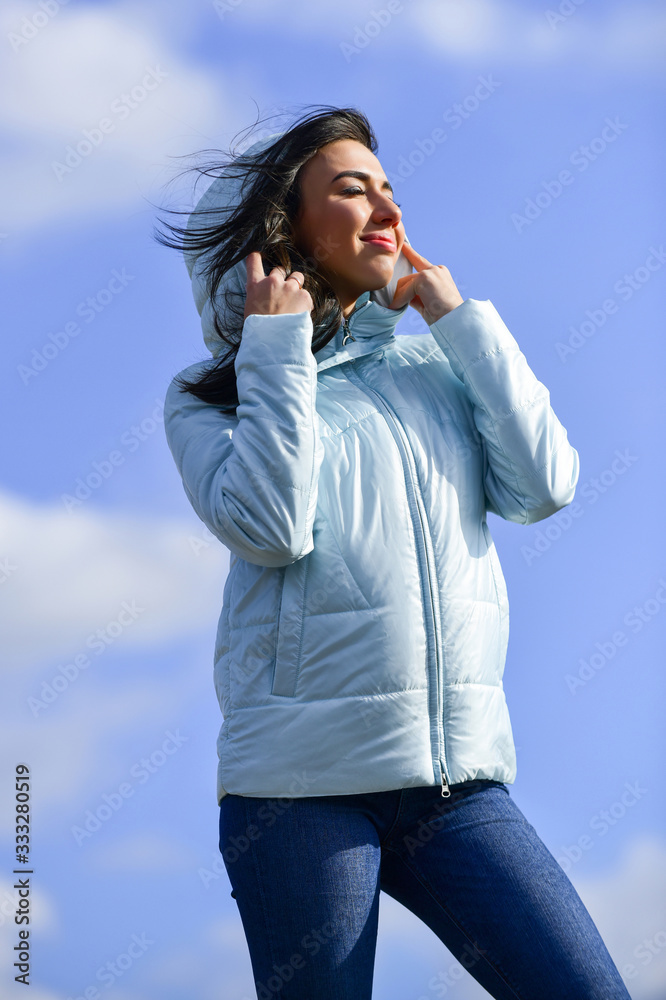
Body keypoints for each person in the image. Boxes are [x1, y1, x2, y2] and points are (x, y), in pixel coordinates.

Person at [158, 106, 632, 999]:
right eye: (353, 190)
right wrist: (275, 347)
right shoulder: (210, 396)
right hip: (298, 794)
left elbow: (545, 485)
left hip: (459, 790)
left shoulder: (432, 369)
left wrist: (461, 324)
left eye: (390, 190)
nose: (388, 210)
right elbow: (272, 527)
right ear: (287, 228)